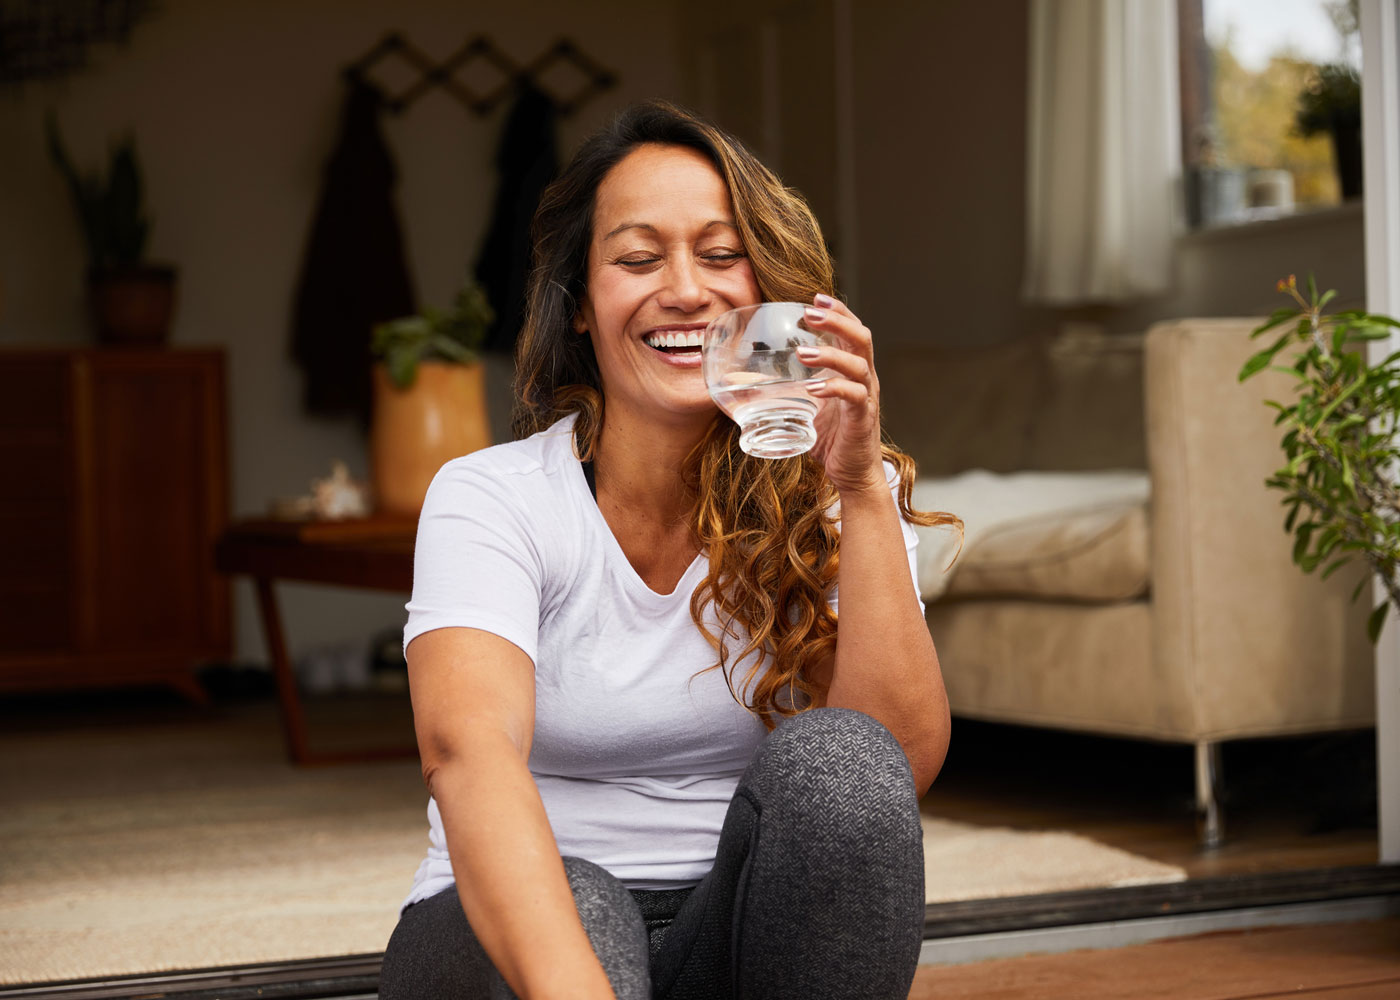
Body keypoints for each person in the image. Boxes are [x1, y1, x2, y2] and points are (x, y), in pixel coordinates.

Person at [379, 100, 957, 1000]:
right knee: (586, 906)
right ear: (580, 304)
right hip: (513, 940)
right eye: (639, 258)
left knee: (844, 760)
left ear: (768, 291)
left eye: (722, 256)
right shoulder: (494, 496)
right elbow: (468, 755)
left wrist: (859, 491)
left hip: (723, 937)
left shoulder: (836, 486)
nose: (686, 289)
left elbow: (896, 762)